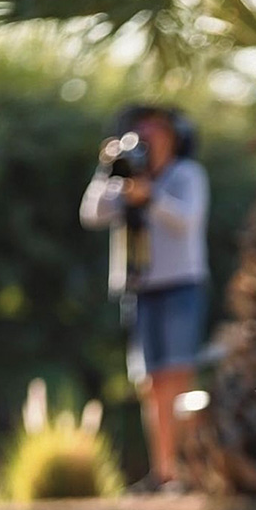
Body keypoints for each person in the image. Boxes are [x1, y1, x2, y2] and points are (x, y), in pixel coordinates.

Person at [81, 105, 209, 490]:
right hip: (139, 289)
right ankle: (164, 471)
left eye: (157, 133)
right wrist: (109, 168)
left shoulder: (186, 175)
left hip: (181, 284)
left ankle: (189, 471)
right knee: (151, 385)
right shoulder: (122, 179)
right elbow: (91, 213)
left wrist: (149, 196)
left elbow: (186, 220)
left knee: (179, 378)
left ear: (174, 138)